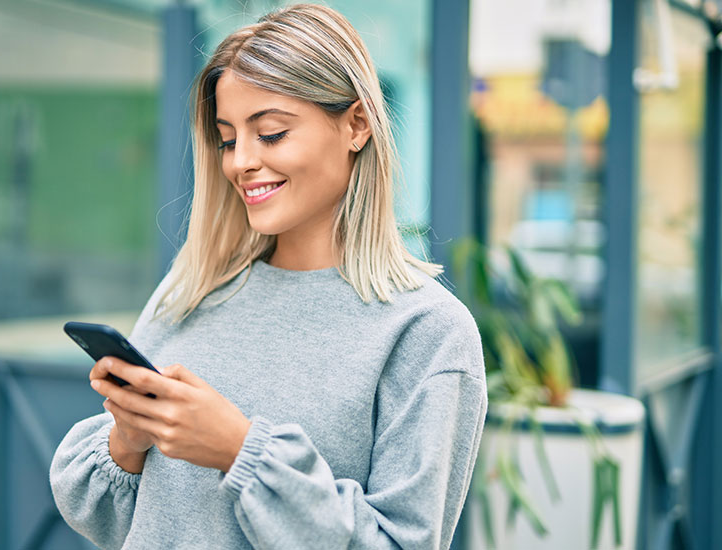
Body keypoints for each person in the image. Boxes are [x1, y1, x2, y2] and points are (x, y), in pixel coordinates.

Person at [49, 4, 487, 549]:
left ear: (356, 125)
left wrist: (239, 450)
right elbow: (113, 522)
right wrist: (128, 440)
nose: (240, 162)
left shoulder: (426, 331)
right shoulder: (192, 291)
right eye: (228, 139)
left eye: (272, 134)